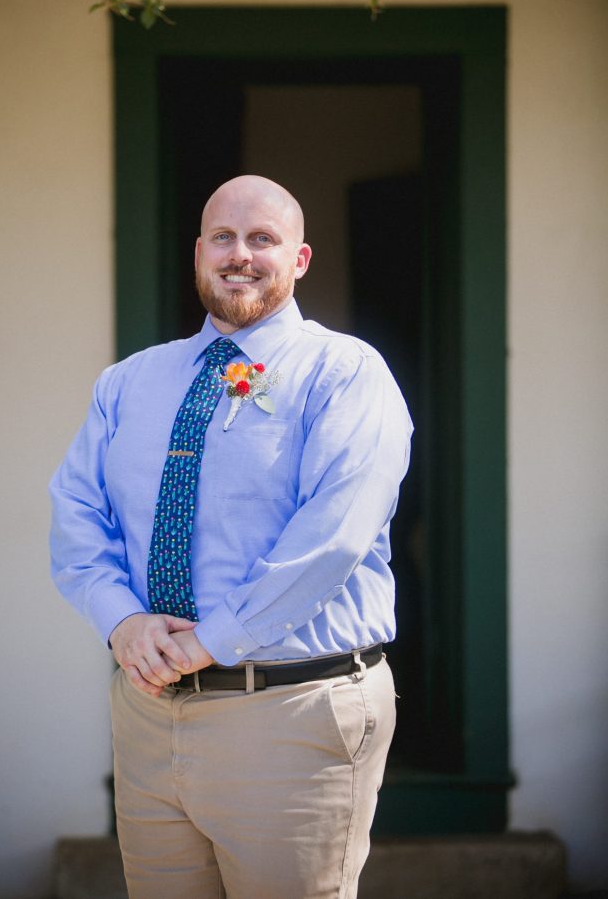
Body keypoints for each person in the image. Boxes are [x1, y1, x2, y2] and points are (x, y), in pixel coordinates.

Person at [49, 174, 413, 899]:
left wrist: (212, 639)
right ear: (198, 254)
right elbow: (76, 510)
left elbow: (333, 535)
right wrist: (122, 622)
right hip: (149, 714)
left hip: (292, 711)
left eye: (261, 239)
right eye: (223, 237)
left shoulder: (344, 373)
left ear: (299, 259)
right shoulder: (128, 382)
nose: (239, 254)